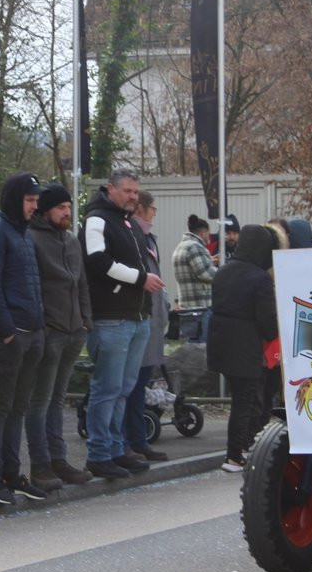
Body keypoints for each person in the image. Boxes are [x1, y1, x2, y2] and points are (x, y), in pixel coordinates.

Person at [80, 169, 164, 479]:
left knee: (123, 389)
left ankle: (116, 447)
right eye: (127, 191)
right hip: (111, 319)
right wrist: (140, 279)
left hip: (135, 316)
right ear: (110, 189)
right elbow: (97, 261)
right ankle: (99, 453)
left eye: (135, 192)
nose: (133, 196)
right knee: (108, 388)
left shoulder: (127, 222)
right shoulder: (97, 219)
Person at [0, 172, 47, 504]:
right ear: (15, 199)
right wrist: (6, 331)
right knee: (1, 407)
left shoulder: (22, 234)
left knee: (17, 408)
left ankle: (11, 473)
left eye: (36, 201)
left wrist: (39, 327)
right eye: (30, 200)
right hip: (9, 335)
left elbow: (31, 284)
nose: (35, 206)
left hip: (30, 333)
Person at [25, 184, 94, 491]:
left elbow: (81, 283)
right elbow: (33, 287)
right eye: (60, 207)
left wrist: (85, 321)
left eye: (68, 206)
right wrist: (43, 326)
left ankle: (59, 460)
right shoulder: (33, 238)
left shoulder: (71, 240)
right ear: (45, 210)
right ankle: (40, 464)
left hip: (73, 330)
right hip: (50, 331)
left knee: (57, 400)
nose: (66, 212)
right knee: (40, 402)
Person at [207, 225, 279, 472]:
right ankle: (235, 454)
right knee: (245, 400)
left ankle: (237, 451)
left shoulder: (223, 271)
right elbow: (268, 322)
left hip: (220, 341)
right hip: (246, 345)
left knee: (240, 399)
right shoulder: (259, 278)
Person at [124, 190, 168, 462]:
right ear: (140, 208)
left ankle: (137, 440)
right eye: (152, 209)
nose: (154, 214)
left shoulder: (149, 238)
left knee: (139, 384)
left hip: (152, 321)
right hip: (139, 319)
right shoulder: (131, 235)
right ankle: (131, 440)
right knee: (132, 385)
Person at [171, 214, 216, 342]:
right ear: (203, 233)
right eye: (209, 233)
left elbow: (192, 271)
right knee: (202, 350)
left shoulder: (182, 246)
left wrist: (210, 261)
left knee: (192, 349)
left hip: (188, 309)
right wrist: (224, 272)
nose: (210, 237)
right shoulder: (195, 247)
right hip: (200, 309)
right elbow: (205, 273)